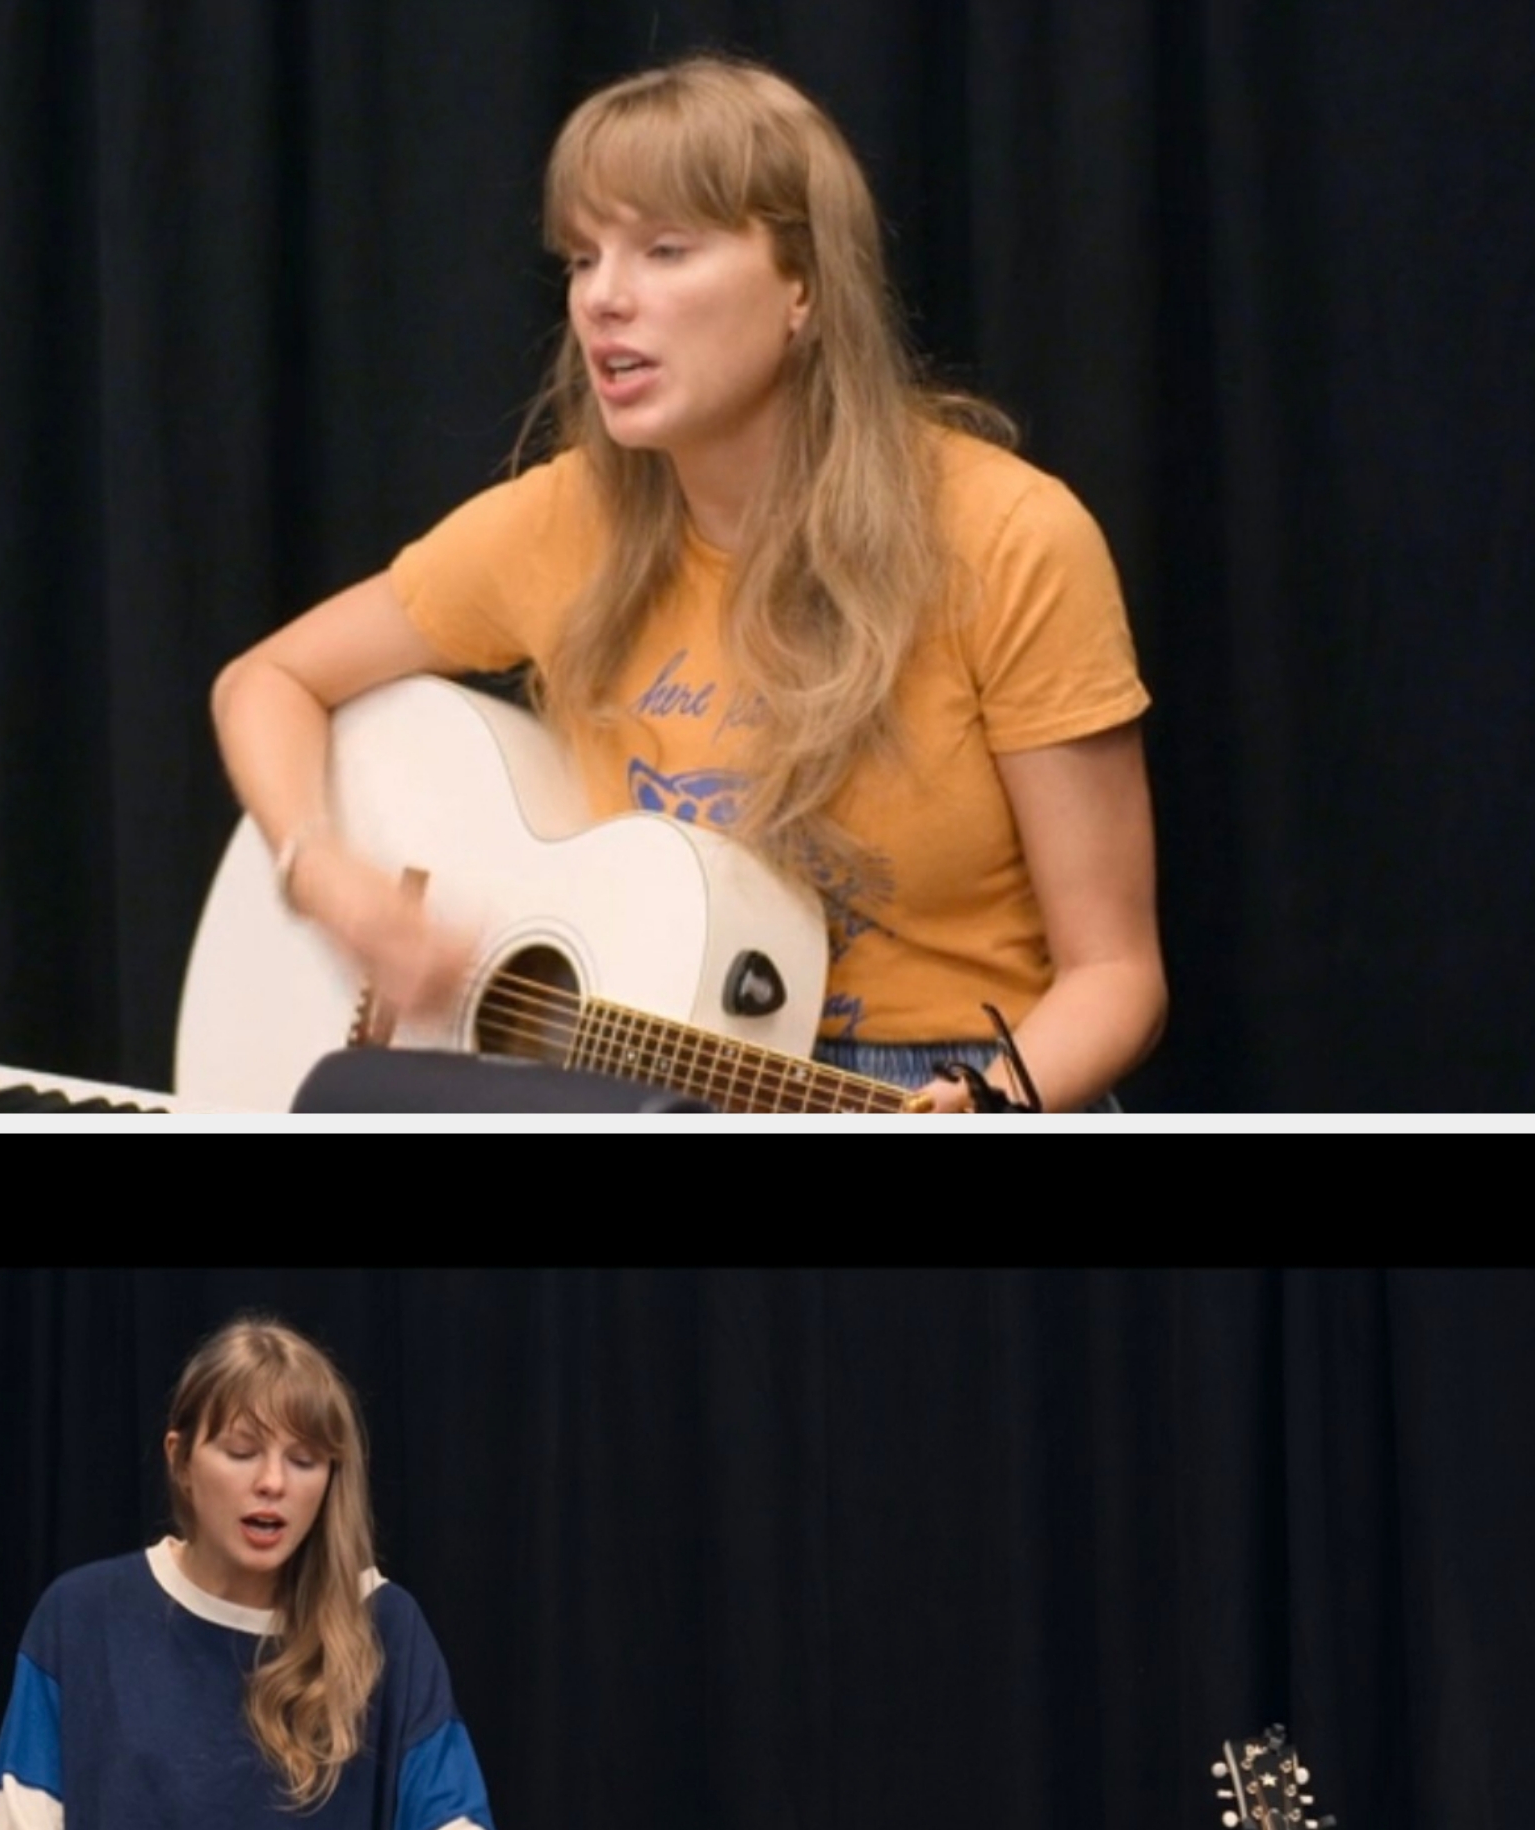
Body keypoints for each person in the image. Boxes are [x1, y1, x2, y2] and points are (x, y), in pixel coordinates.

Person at [211, 56, 1166, 1114]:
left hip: (939, 1077)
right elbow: (264, 682)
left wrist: (991, 1101)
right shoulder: (561, 521)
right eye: (581, 258)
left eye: (664, 250)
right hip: (617, 1084)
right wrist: (327, 878)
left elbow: (1115, 976)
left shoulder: (1010, 539)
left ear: (800, 284)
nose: (603, 300)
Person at [0, 1317, 506, 1830]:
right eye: (242, 1451)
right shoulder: (83, 1618)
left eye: (305, 1459)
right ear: (181, 1458)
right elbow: (24, 1827)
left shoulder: (386, 1629)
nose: (273, 1483)